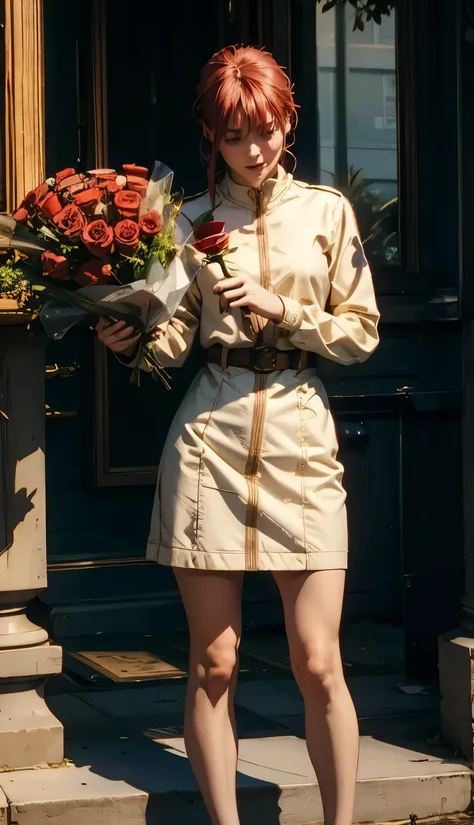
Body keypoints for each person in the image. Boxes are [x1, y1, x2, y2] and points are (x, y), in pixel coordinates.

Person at [97, 45, 380, 825]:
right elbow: (171, 341)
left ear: (288, 120)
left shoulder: (327, 212)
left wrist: (282, 306)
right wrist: (133, 341)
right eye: (231, 135)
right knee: (213, 661)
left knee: (318, 660)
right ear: (210, 137)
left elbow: (361, 335)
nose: (251, 150)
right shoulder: (185, 221)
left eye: (263, 129)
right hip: (209, 440)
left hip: (300, 435)